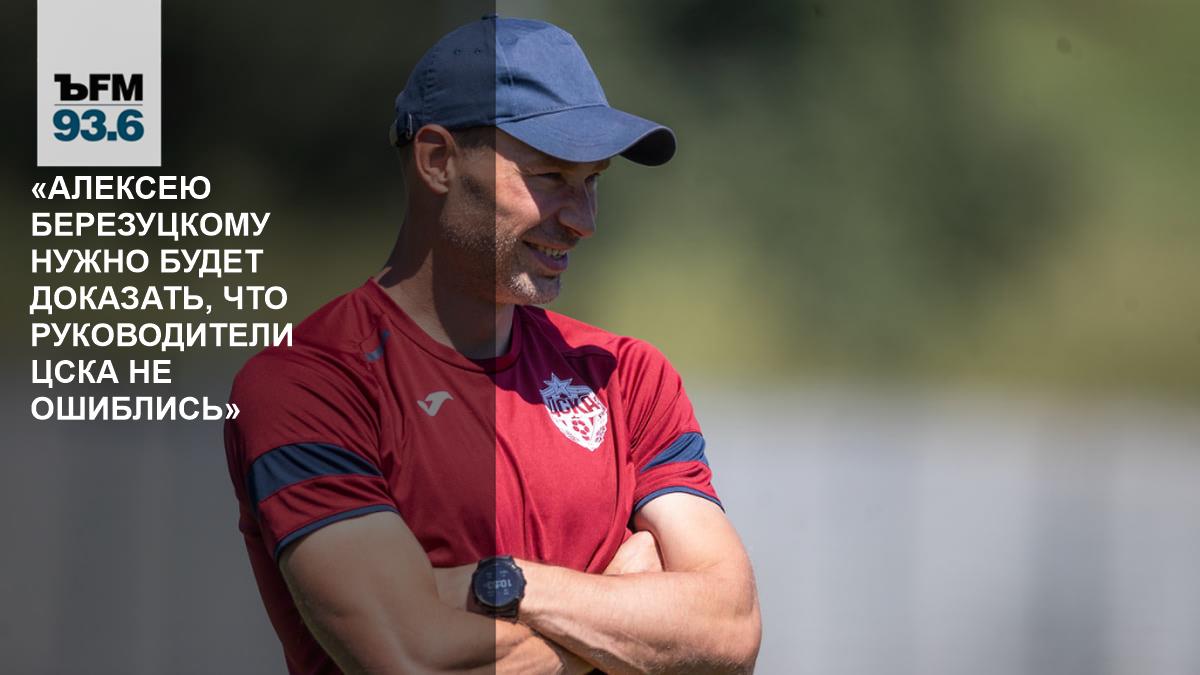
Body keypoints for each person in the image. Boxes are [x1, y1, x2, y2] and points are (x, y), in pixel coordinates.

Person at [225, 15, 761, 675]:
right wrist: (626, 615)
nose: (584, 220)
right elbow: (413, 658)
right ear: (438, 161)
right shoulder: (307, 385)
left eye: (593, 180)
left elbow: (727, 630)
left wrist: (498, 584)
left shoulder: (625, 374)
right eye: (550, 176)